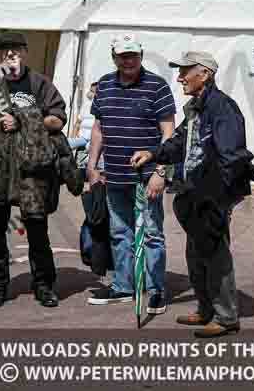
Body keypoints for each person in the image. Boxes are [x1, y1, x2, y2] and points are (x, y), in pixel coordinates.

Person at [132, 51, 254, 338]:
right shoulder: (195, 108)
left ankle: (226, 318)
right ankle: (205, 309)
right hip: (193, 191)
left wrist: (218, 198)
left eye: (186, 71)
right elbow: (177, 142)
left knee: (215, 254)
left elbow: (232, 157)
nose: (180, 77)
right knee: (196, 253)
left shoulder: (222, 108)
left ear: (205, 74)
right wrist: (152, 153)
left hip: (212, 193)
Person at [0, 32, 68, 309]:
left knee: (37, 231)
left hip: (32, 171)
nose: (10, 55)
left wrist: (24, 119)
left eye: (15, 50)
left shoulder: (39, 83)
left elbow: (58, 120)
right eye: (4, 51)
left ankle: (44, 285)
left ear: (25, 53)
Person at [85, 34, 175, 313]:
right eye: (123, 56)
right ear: (114, 58)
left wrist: (162, 172)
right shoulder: (104, 86)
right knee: (119, 233)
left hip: (147, 176)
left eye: (133, 55)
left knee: (151, 233)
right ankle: (123, 286)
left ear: (141, 55)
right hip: (114, 175)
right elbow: (99, 128)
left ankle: (156, 289)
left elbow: (168, 133)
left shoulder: (157, 87)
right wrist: (92, 165)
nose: (128, 60)